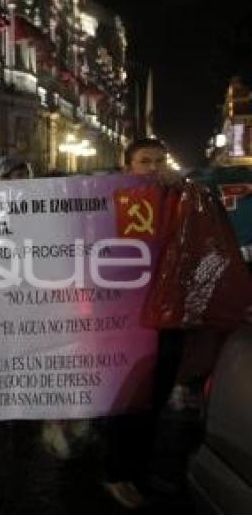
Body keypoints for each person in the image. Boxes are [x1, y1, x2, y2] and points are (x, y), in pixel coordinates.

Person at [102, 137, 238, 509]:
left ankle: (139, 469)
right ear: (127, 165)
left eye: (160, 160)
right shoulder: (107, 197)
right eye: (145, 161)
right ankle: (117, 472)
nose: (153, 167)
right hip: (123, 321)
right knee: (127, 400)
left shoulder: (182, 199)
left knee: (155, 398)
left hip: (167, 320)